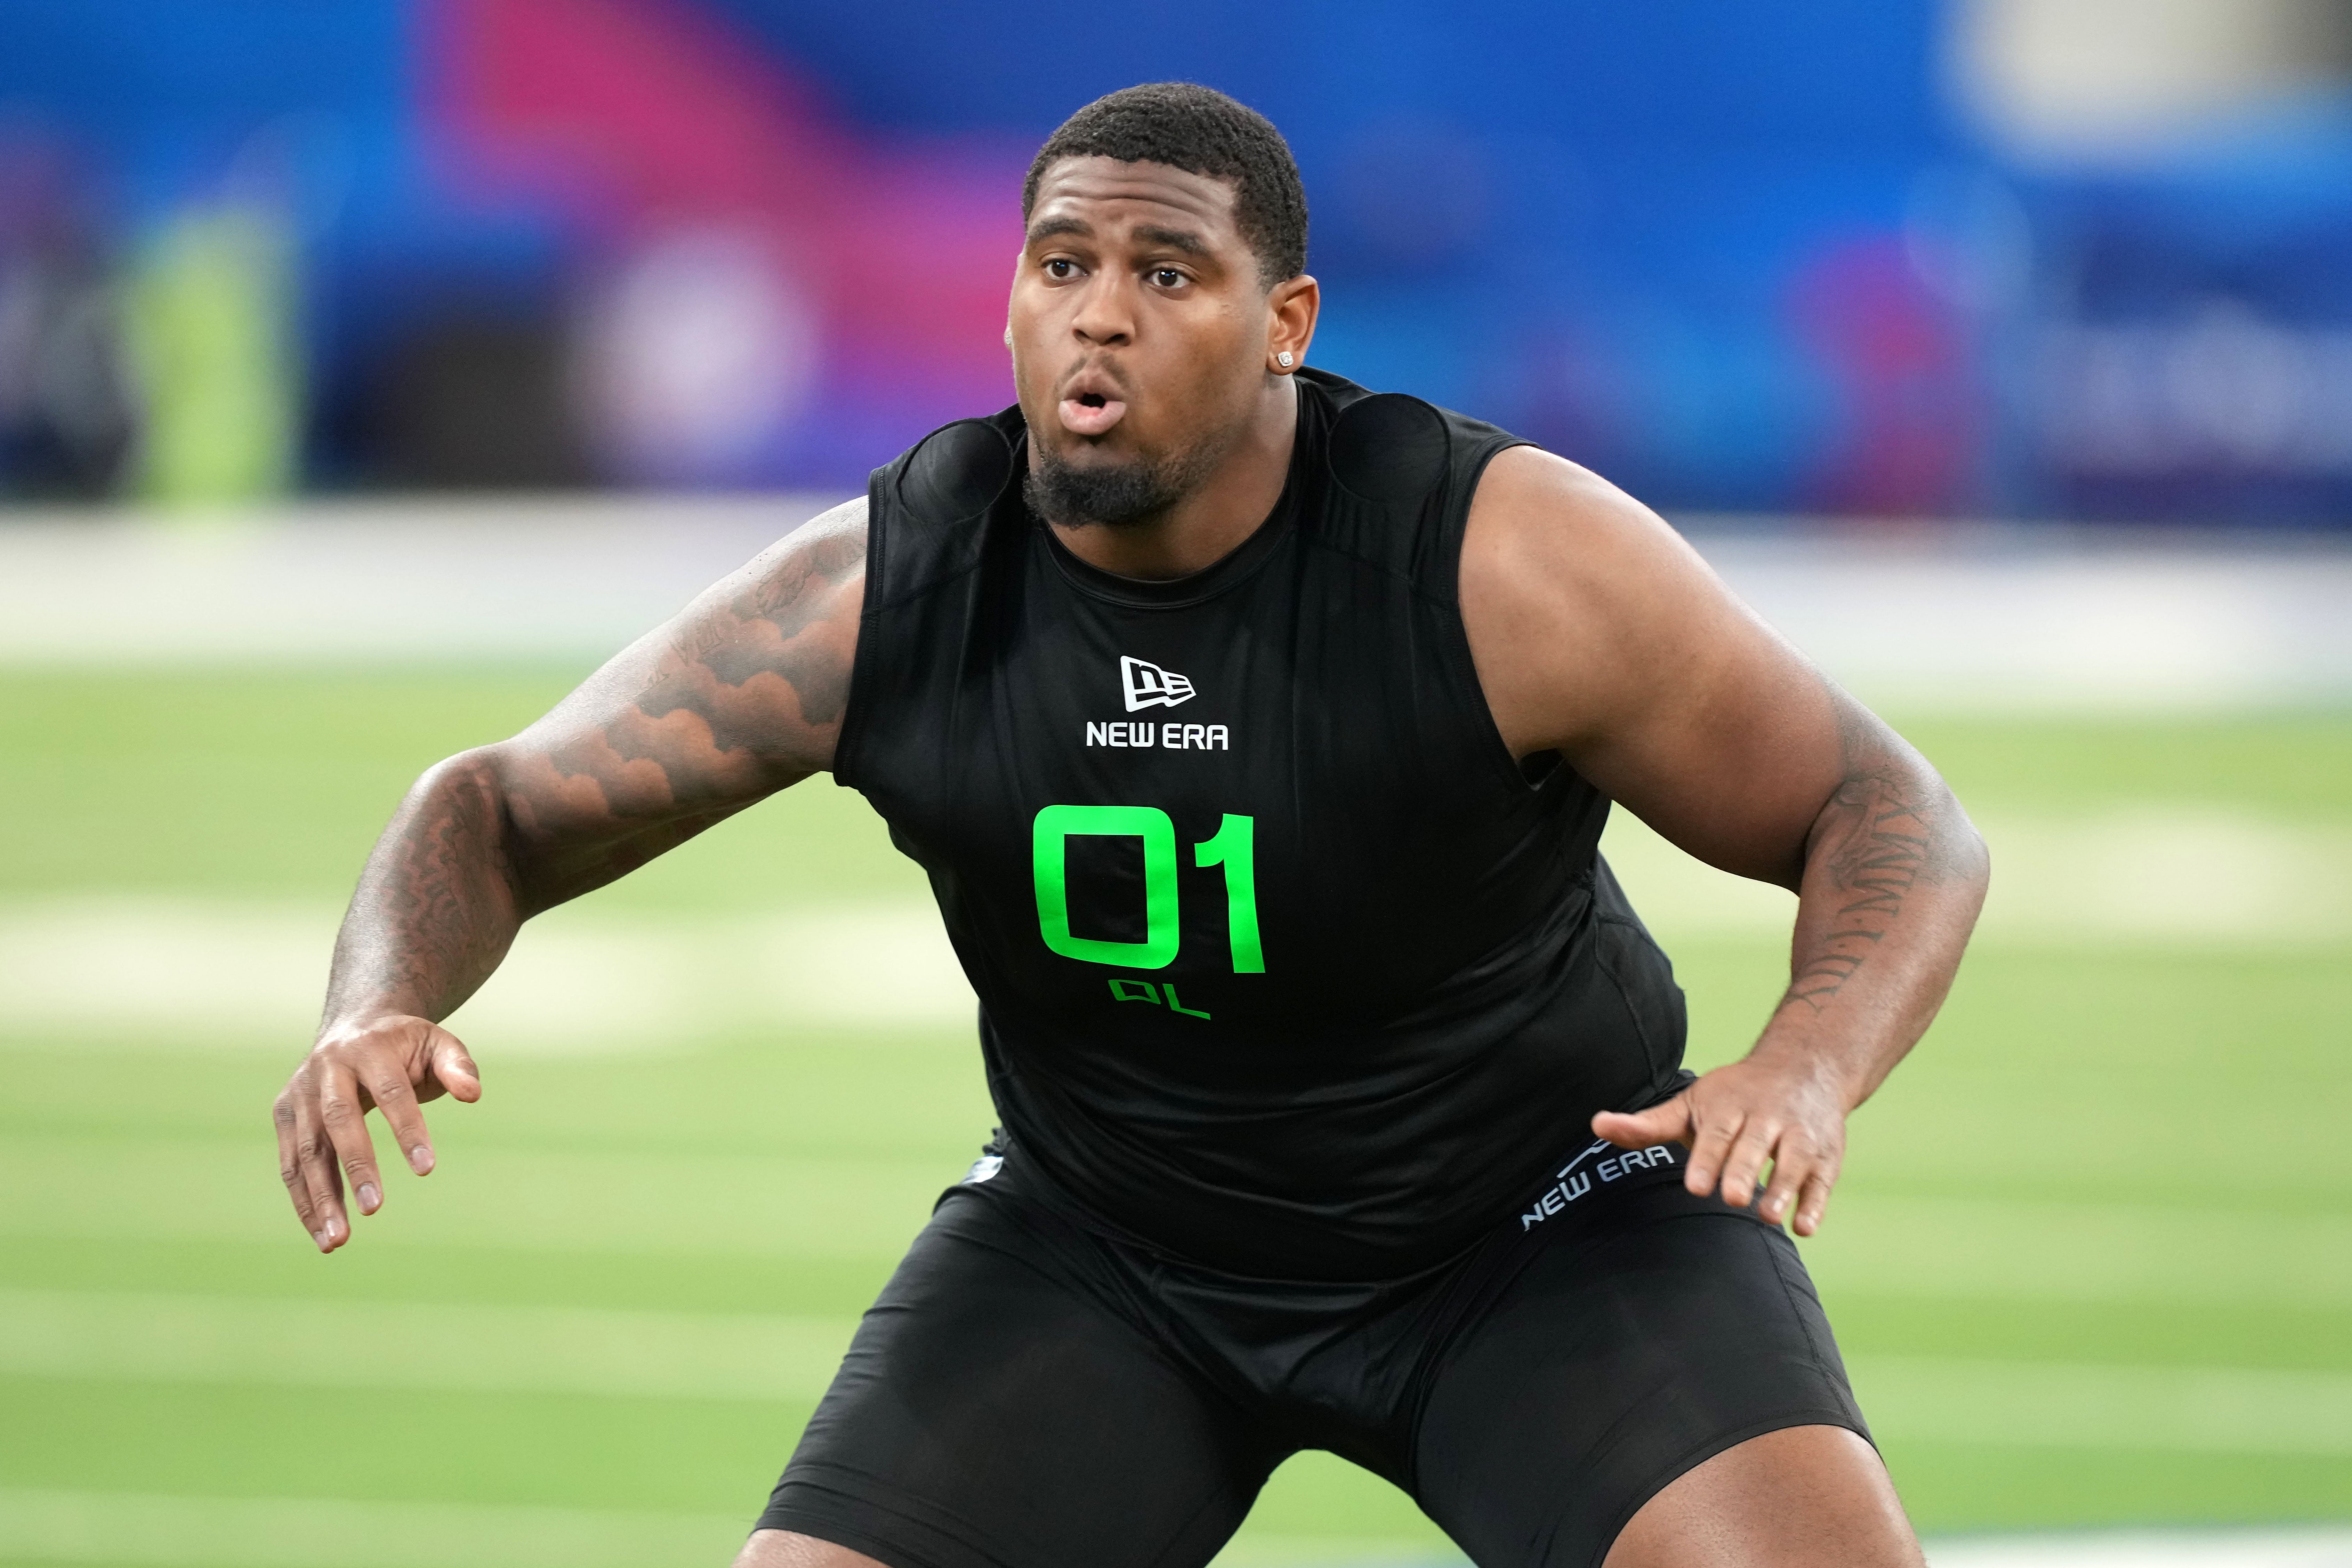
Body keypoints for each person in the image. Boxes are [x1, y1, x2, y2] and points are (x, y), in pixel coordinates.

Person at [272, 83, 1988, 1568]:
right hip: (1112, 1249)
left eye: (1164, 274)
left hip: (1533, 1225)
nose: (1096, 317)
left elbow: (1884, 804)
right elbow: (490, 805)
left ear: (1285, 323)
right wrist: (376, 999)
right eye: (1061, 265)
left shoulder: (1492, 559)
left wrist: (1805, 1064)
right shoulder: (890, 592)